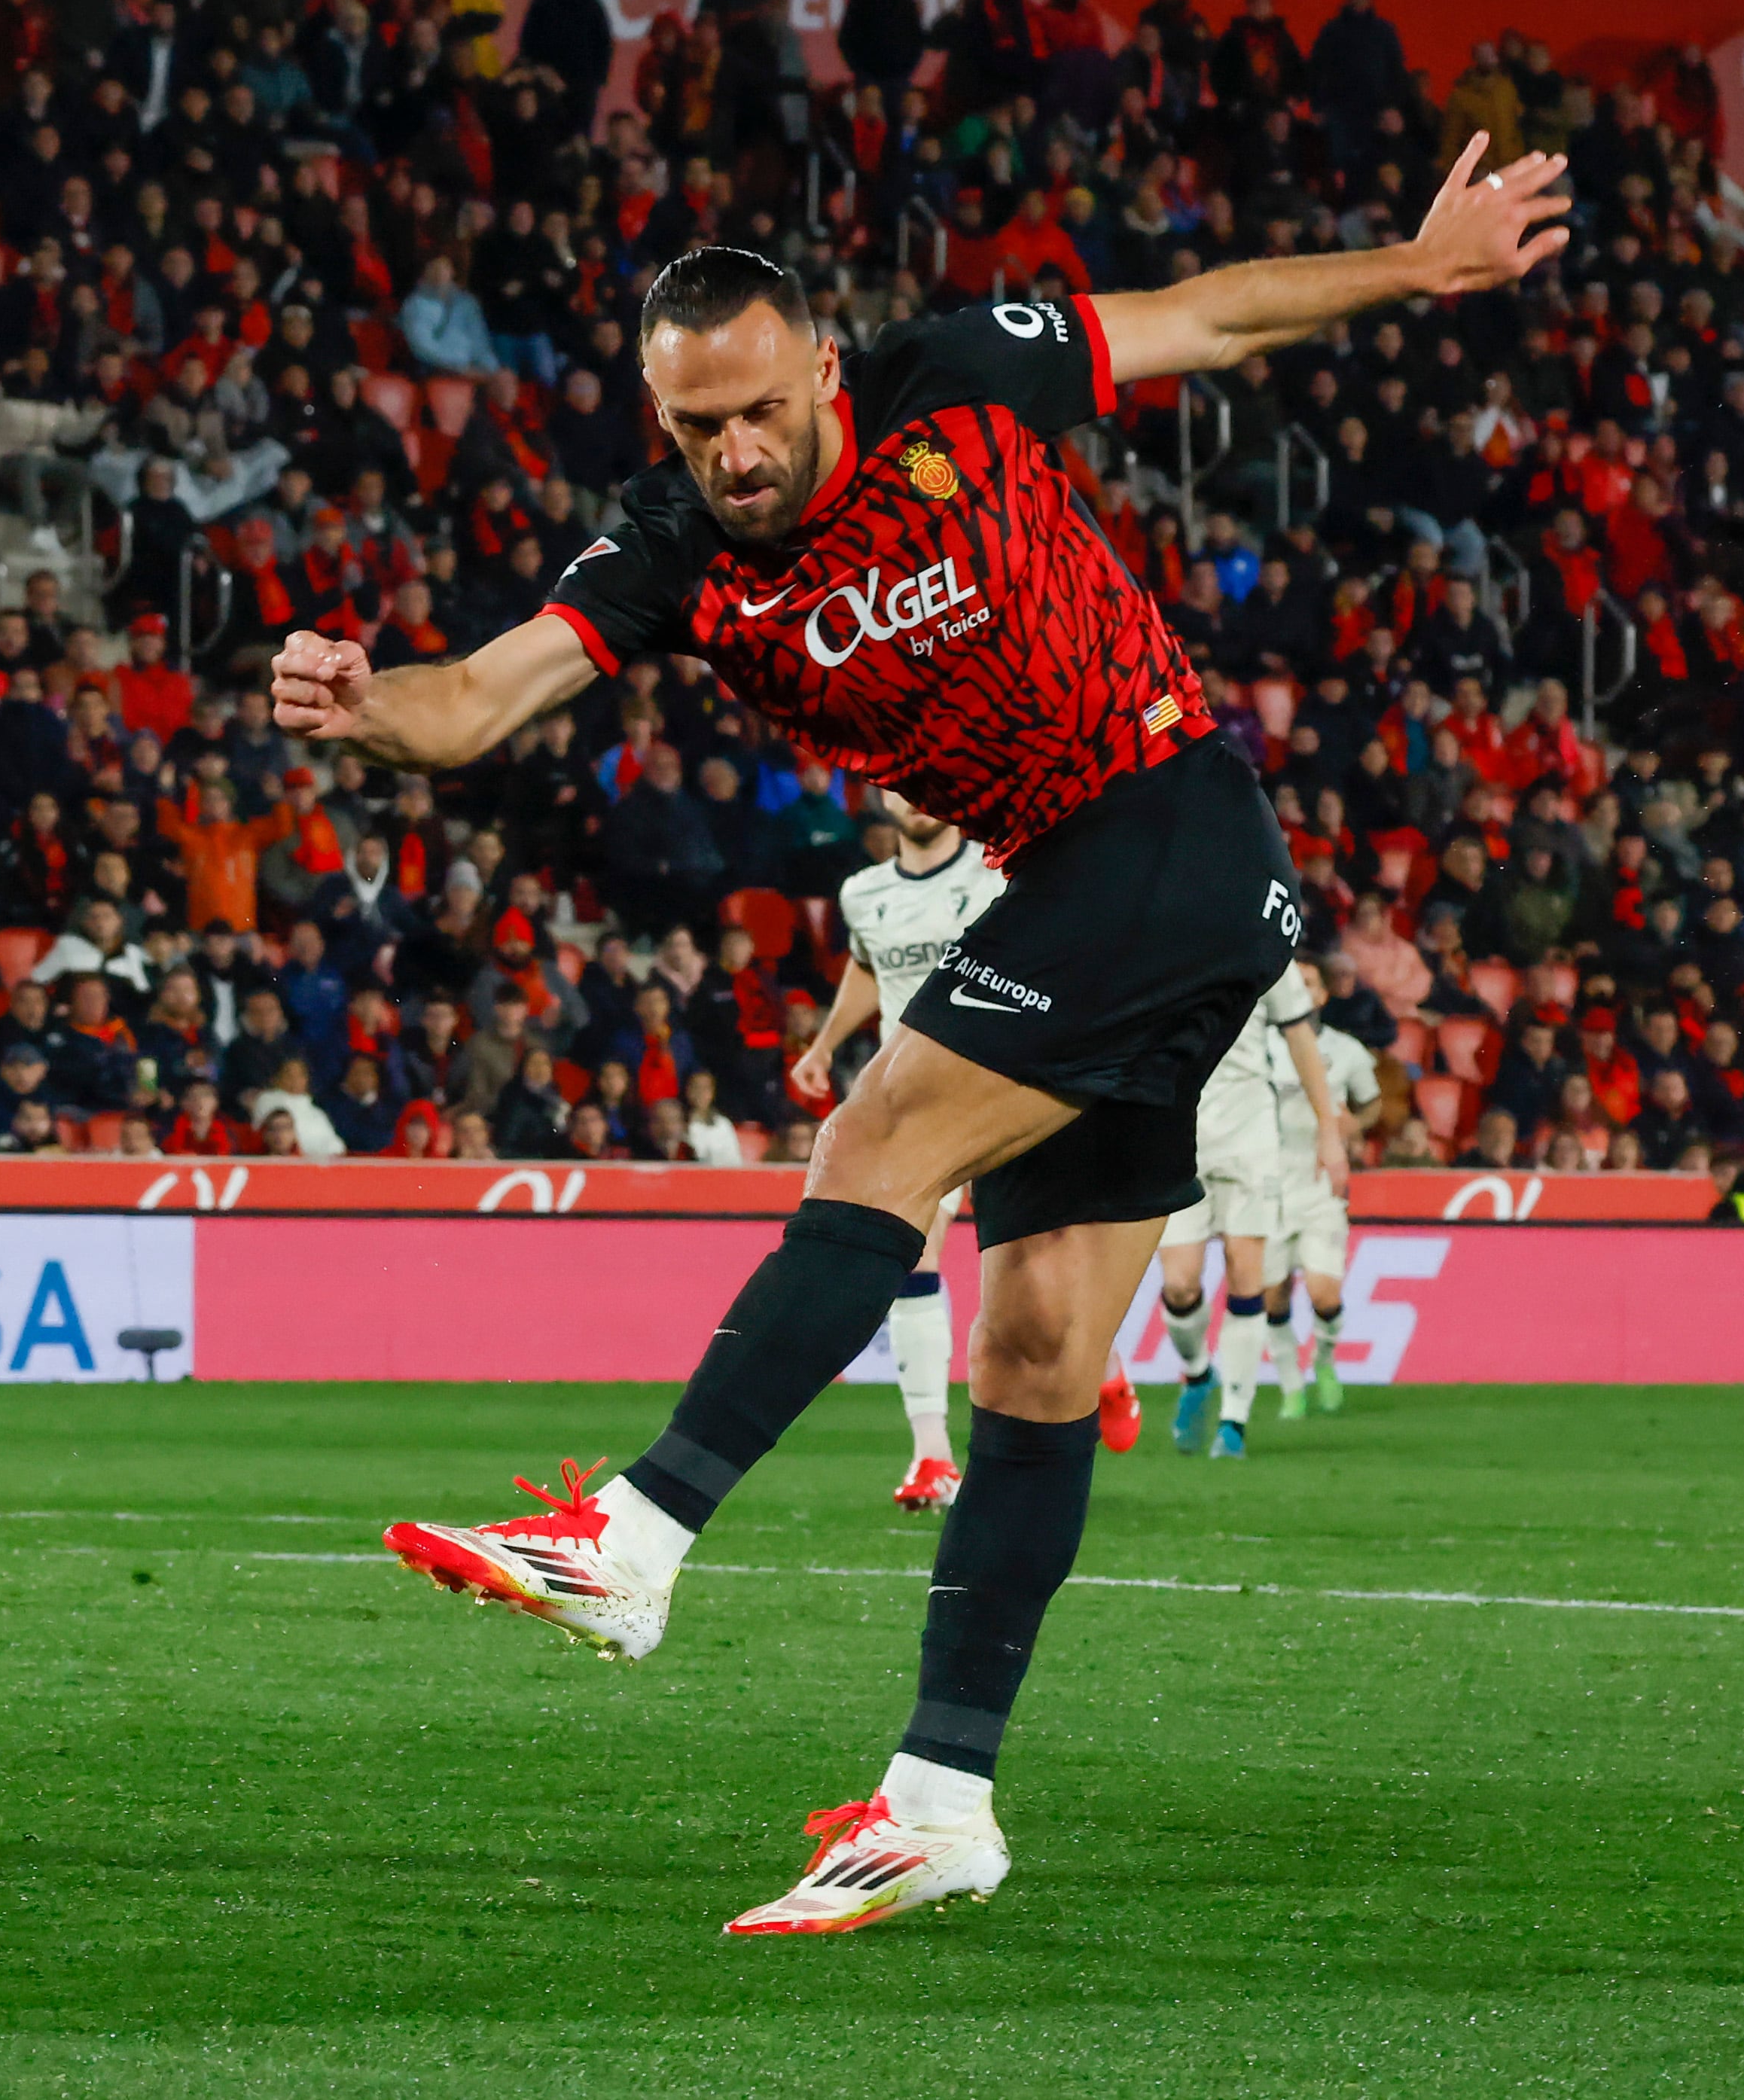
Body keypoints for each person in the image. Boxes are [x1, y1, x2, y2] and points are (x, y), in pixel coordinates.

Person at [270, 144, 1565, 1934]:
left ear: (817, 370)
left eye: (756, 410)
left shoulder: (957, 373)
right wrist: (364, 705)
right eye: (694, 421)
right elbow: (479, 698)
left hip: (1168, 828)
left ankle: (633, 1538)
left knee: (876, 1140)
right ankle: (943, 1795)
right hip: (1085, 884)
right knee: (1033, 1356)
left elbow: (1202, 312)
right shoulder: (666, 549)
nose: (732, 451)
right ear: (660, 411)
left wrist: (1414, 267)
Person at [794, 788, 1142, 1510]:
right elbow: (868, 967)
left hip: (1008, 1088)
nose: (909, 798)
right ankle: (931, 1456)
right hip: (914, 1106)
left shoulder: (997, 876)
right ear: (879, 799)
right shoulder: (863, 893)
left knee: (1041, 1285)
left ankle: (1106, 1366)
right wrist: (825, 1044)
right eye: (895, 787)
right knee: (909, 1253)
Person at [1148, 956, 1349, 1458]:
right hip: (1175, 1131)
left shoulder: (1262, 943)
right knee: (1179, 1283)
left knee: (1247, 1276)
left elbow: (1300, 1036)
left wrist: (1328, 1128)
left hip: (1250, 1135)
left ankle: (1233, 1420)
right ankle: (1197, 1374)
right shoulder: (1161, 940)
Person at [1255, 954, 1380, 1418]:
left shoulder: (1346, 1052)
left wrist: (1353, 1125)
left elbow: (1371, 1106)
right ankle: (1291, 1385)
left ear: (1323, 995)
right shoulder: (1259, 1046)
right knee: (1273, 1294)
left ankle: (1324, 1363)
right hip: (1267, 1183)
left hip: (1320, 1182)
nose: (1301, 990)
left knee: (1325, 1293)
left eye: (1308, 982)